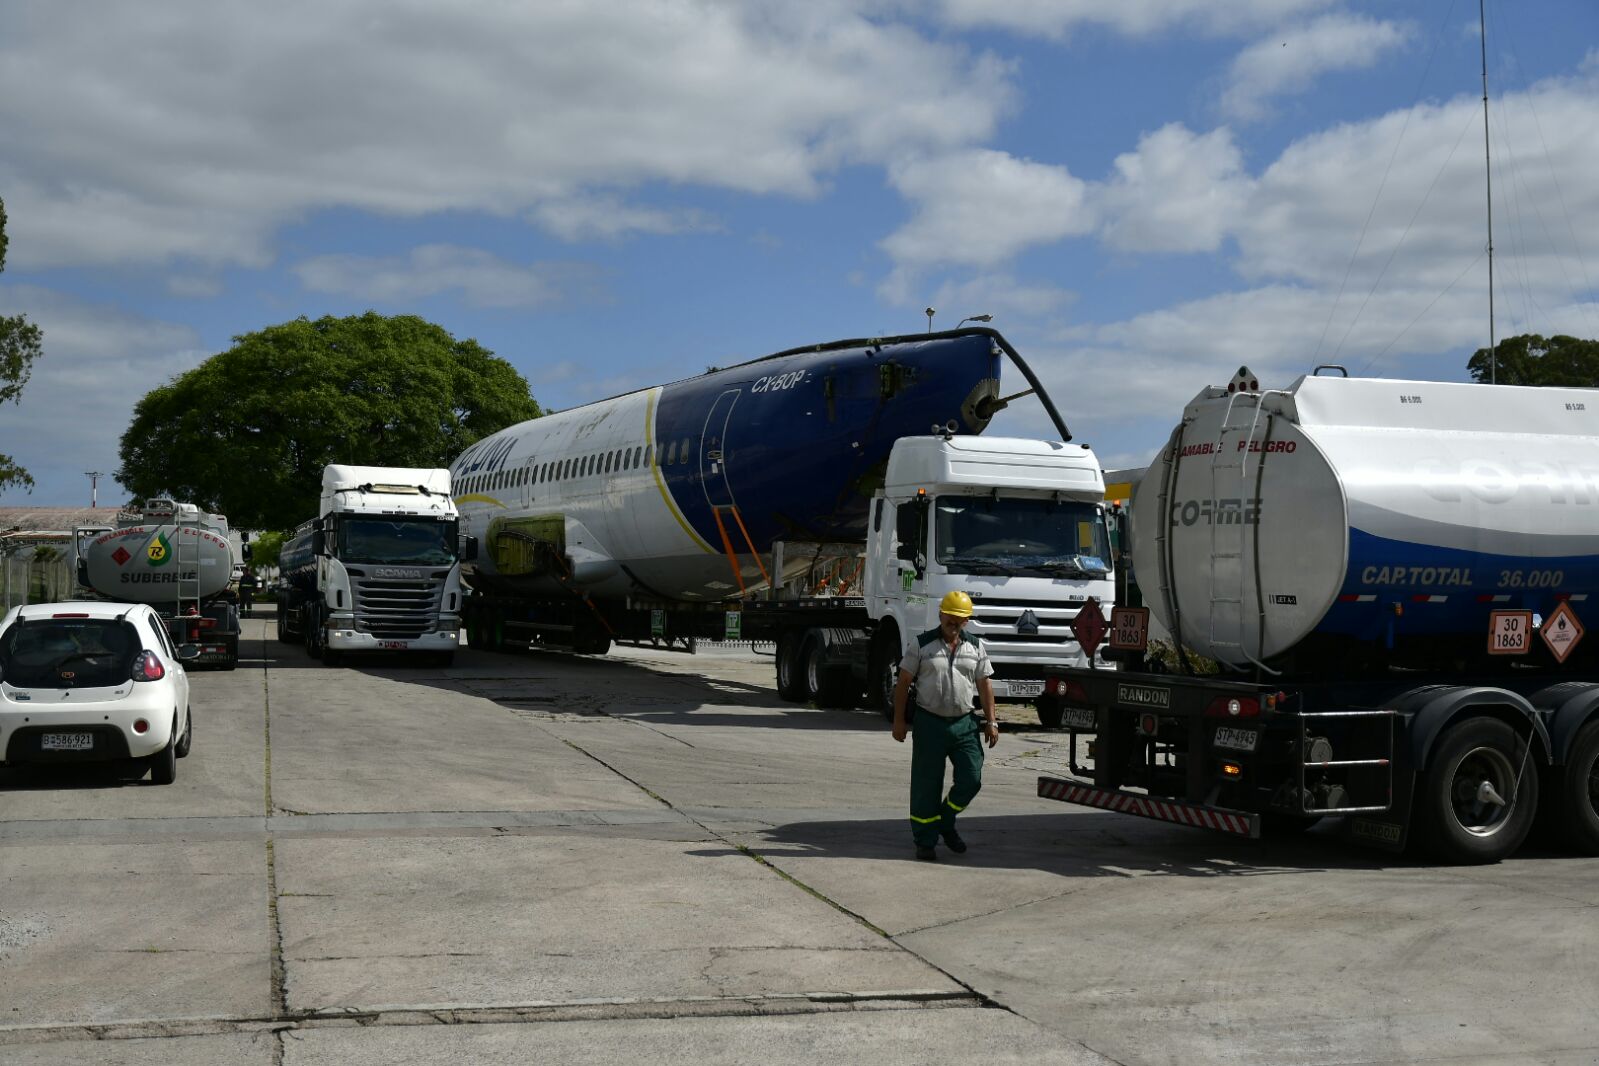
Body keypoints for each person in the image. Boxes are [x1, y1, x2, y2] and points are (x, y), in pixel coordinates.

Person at [891, 590, 998, 861]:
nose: (955, 624)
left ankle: (946, 820)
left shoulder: (975, 646)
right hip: (929, 723)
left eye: (961, 620)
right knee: (926, 785)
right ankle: (925, 841)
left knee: (972, 778)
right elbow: (903, 683)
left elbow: (985, 684)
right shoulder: (922, 645)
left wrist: (992, 721)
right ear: (941, 615)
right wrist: (899, 720)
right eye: (951, 619)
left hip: (964, 723)